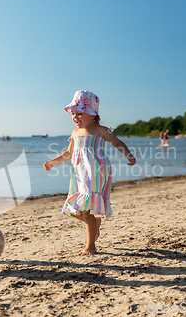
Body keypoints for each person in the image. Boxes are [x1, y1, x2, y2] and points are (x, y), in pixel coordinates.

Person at [43, 90, 136, 256]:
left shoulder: (101, 130)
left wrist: (128, 154)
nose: (75, 117)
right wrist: (53, 162)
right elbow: (69, 153)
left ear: (93, 114)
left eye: (79, 113)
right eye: (73, 114)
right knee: (75, 209)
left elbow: (117, 142)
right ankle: (95, 221)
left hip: (96, 172)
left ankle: (90, 246)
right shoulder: (75, 133)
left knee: (86, 211)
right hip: (79, 174)